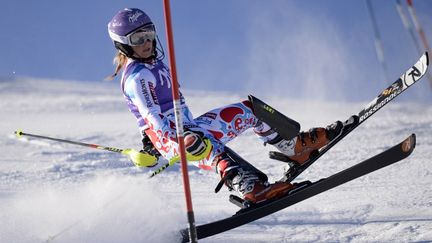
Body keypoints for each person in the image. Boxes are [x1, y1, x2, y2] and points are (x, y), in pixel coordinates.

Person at [107, 8, 342, 204]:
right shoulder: (137, 78)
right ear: (123, 45)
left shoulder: (153, 63)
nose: (147, 42)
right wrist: (166, 141)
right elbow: (151, 116)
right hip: (175, 138)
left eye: (149, 34)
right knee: (198, 140)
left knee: (249, 109)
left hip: (190, 126)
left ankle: (293, 148)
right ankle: (250, 187)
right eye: (138, 39)